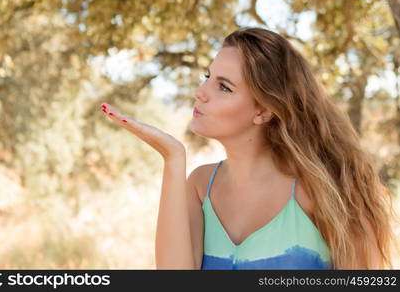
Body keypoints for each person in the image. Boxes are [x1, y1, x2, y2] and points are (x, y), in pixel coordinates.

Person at [100, 26, 398, 270]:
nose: (200, 93)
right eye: (207, 77)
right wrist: (172, 158)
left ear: (263, 111)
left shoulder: (325, 190)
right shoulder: (199, 186)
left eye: (224, 87)